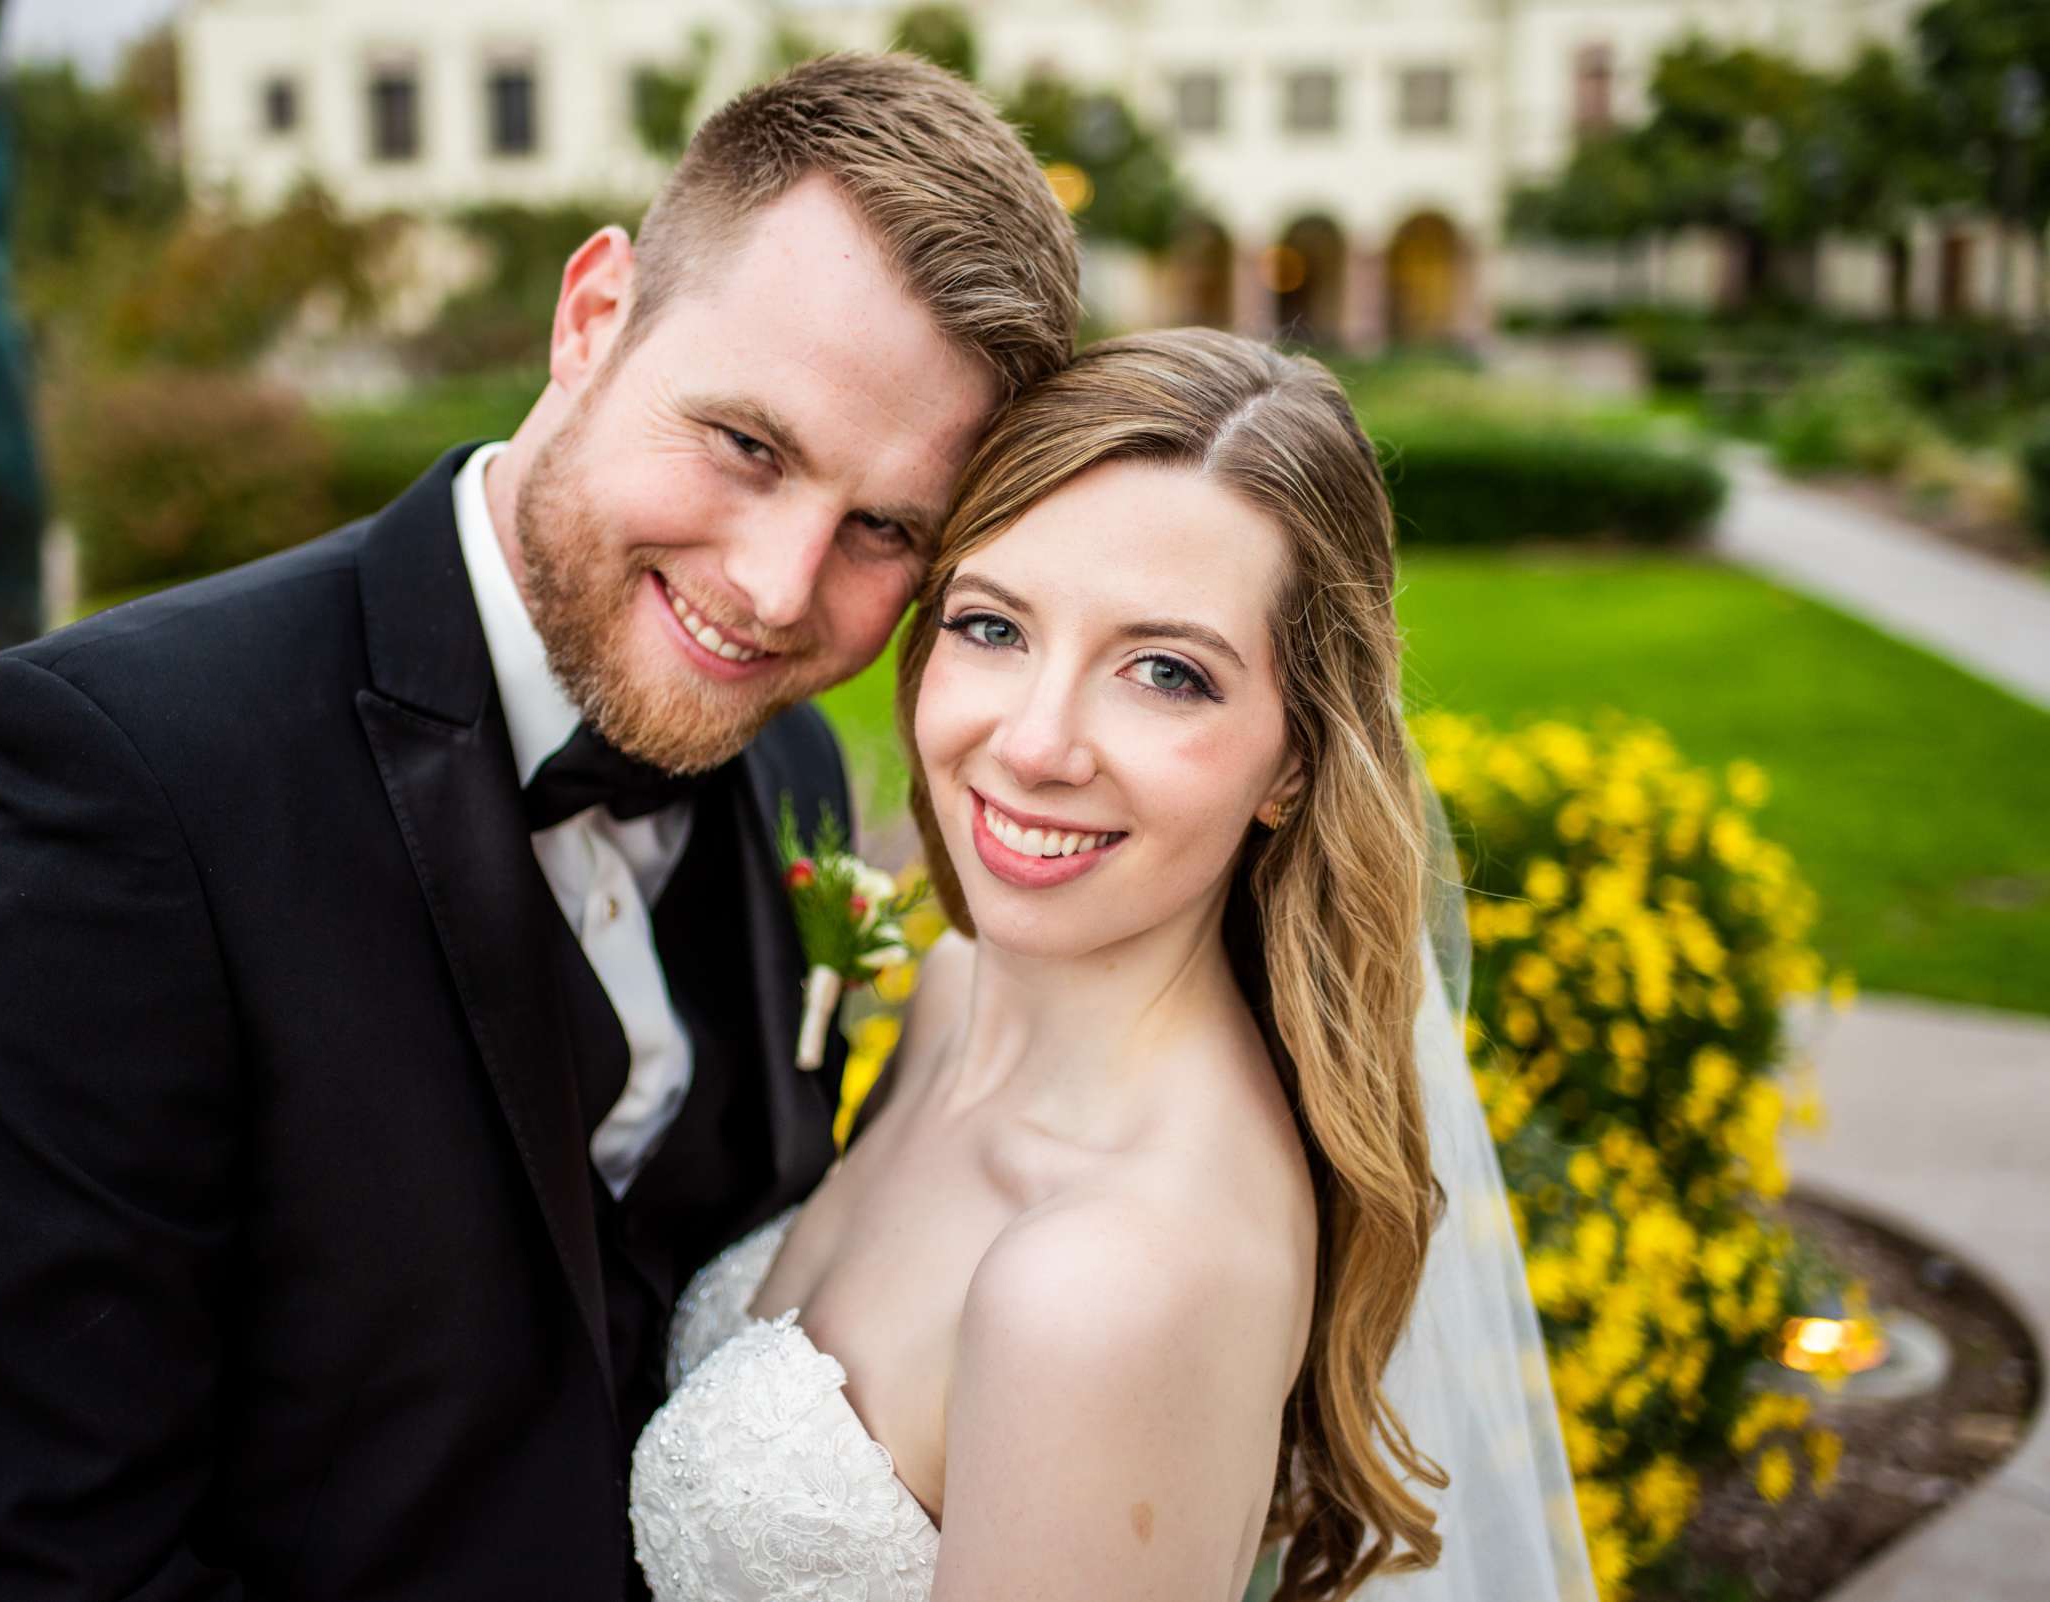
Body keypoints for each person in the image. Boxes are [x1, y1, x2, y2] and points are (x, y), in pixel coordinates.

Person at [0, 53, 1079, 1601]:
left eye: (884, 528)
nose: (778, 587)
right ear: (592, 318)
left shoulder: (795, 788)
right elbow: (33, 1567)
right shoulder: (112, 778)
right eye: (747, 446)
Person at [629, 330, 1597, 1602]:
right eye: (992, 626)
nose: (1035, 744)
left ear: (1296, 759)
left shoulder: (1111, 1283)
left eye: (1165, 672)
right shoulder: (956, 994)